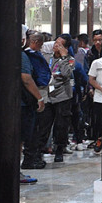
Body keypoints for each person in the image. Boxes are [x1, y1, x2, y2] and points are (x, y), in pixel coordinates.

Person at [37, 35, 75, 163]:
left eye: (59, 44)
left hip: (62, 96)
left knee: (61, 125)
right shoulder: (47, 57)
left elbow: (66, 73)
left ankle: (59, 149)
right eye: (55, 43)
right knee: (44, 124)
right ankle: (40, 150)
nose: (55, 46)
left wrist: (64, 57)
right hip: (48, 95)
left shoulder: (70, 60)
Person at [20, 31, 49, 170]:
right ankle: (30, 159)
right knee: (31, 131)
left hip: (23, 99)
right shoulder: (26, 56)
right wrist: (39, 97)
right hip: (27, 99)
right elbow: (27, 78)